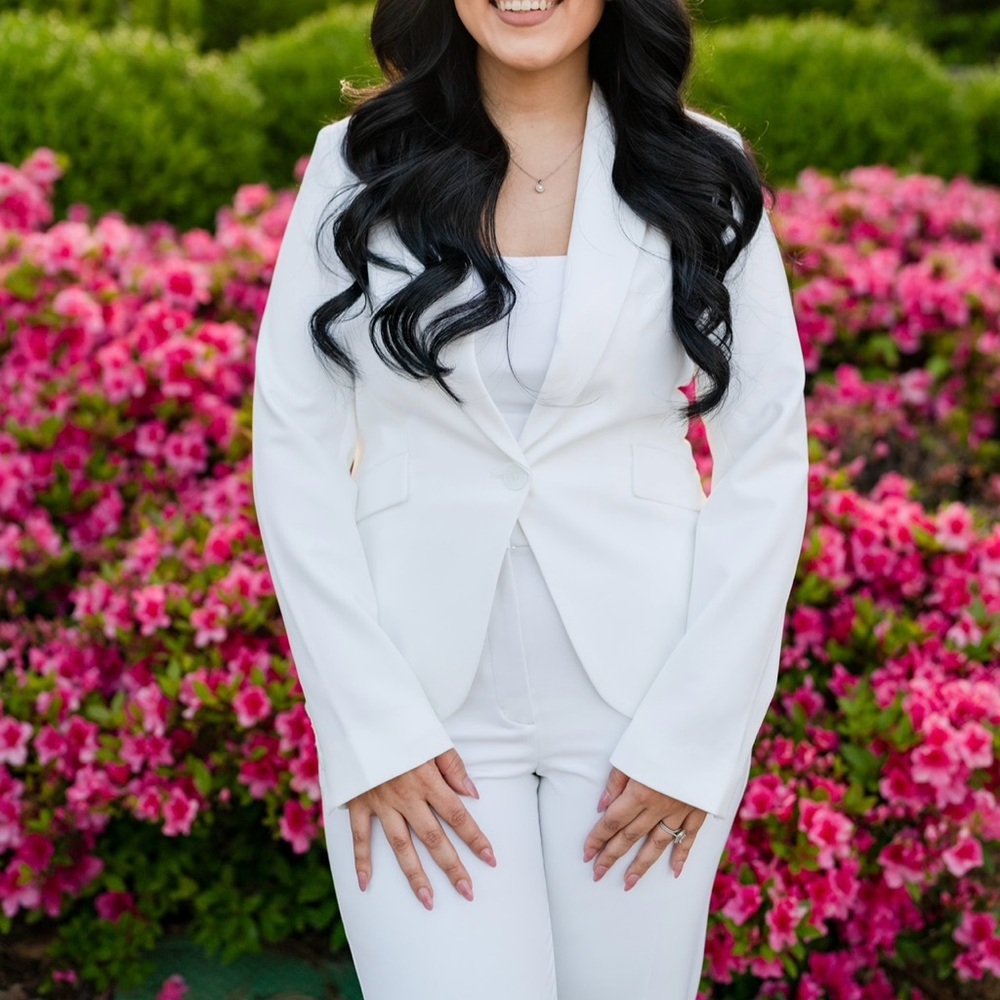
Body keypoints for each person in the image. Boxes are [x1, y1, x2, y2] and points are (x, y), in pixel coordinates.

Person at [250, 0, 810, 994]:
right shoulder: (356, 161)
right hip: (418, 707)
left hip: (642, 706)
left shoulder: (701, 166)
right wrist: (371, 729)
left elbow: (766, 448)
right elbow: (294, 442)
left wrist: (693, 733)